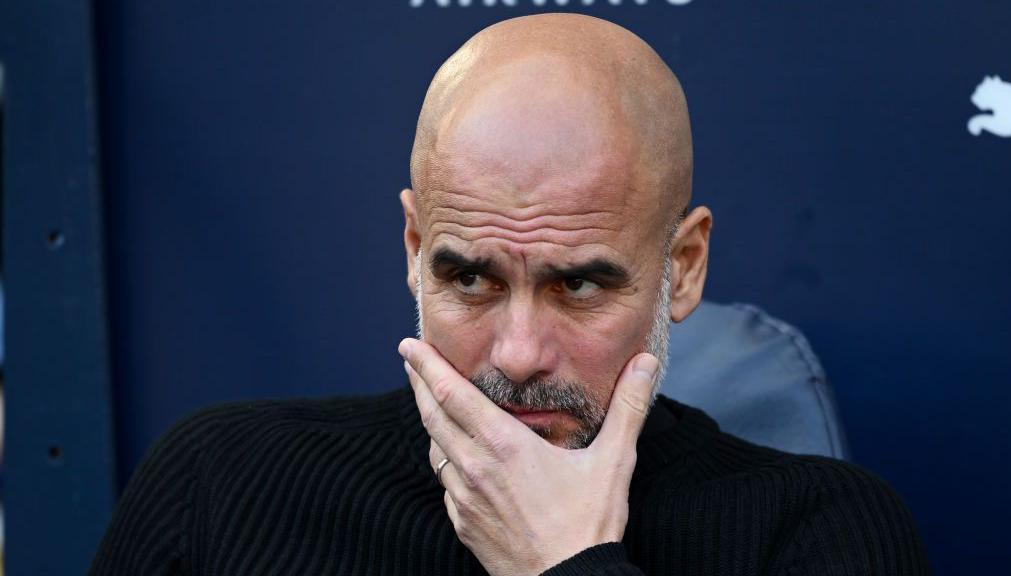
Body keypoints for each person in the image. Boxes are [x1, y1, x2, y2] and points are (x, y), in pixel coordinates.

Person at [90, 13, 930, 576]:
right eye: (469, 279)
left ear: (684, 266)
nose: (519, 355)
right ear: (416, 252)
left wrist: (565, 564)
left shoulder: (819, 533)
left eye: (578, 285)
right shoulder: (223, 485)